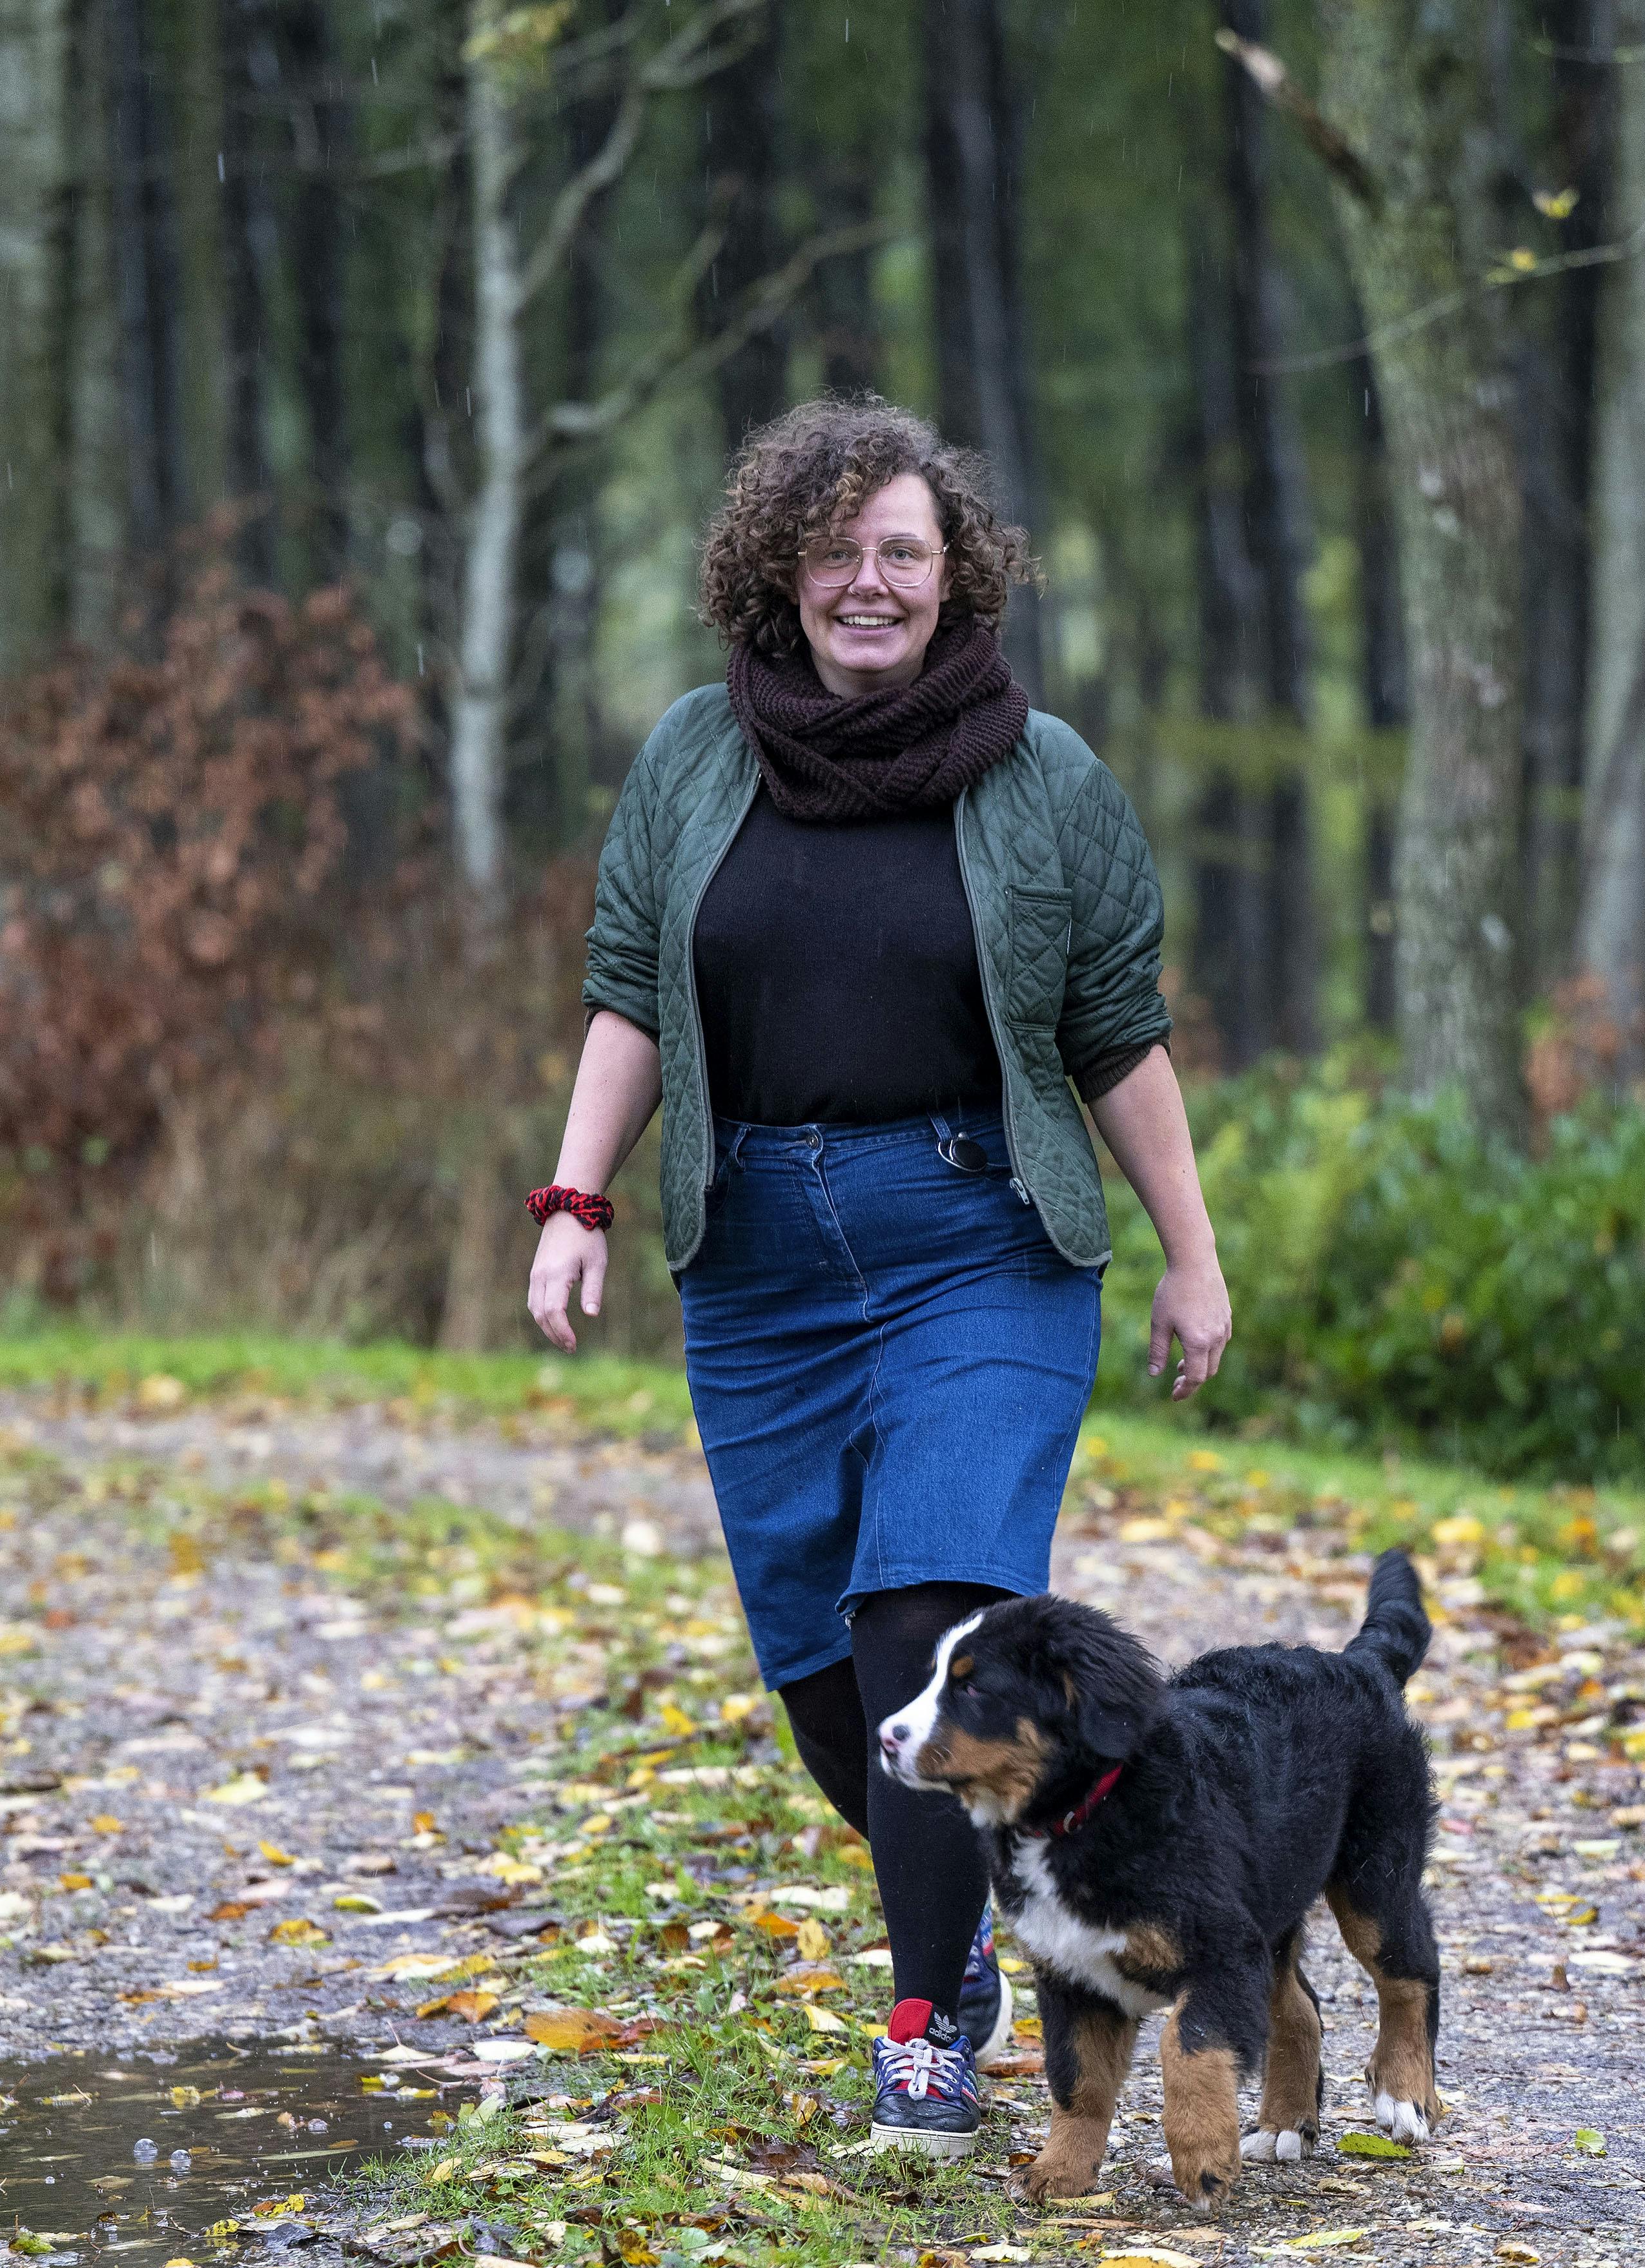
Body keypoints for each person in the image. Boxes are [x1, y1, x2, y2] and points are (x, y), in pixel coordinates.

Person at [525, 397, 1234, 2158]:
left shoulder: (1043, 777)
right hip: (757, 1255)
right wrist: (573, 1198)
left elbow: (1115, 1032)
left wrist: (1189, 1250)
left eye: (899, 552)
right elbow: (630, 987)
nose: (866, 582)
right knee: (831, 1685)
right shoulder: (697, 755)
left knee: (919, 1610)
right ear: (779, 569)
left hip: (978, 1241)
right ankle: (1001, 1884)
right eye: (833, 551)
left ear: (953, 572)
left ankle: (928, 2022)